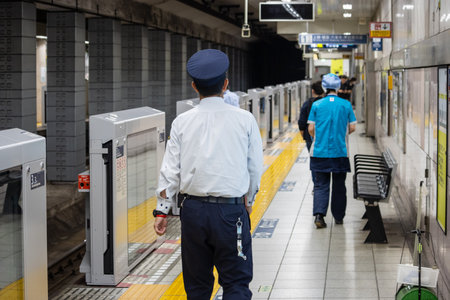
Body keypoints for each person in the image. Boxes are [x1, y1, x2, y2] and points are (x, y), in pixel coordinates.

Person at [153, 49, 263, 300]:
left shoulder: (181, 121)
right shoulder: (245, 120)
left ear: (194, 86)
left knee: (197, 287)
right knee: (236, 283)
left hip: (192, 213)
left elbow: (170, 169)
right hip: (231, 212)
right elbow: (255, 167)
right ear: (226, 84)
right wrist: (250, 200)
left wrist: (162, 210)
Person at [307, 73, 356, 228]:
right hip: (340, 152)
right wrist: (340, 133)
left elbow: (310, 128)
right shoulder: (346, 105)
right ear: (338, 87)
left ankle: (319, 216)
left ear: (324, 87)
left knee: (321, 184)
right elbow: (353, 127)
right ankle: (339, 216)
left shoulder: (317, 105)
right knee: (339, 184)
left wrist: (319, 137)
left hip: (319, 152)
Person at [298, 81, 324, 186]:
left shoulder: (307, 104)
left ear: (312, 91)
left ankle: (316, 184)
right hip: (323, 136)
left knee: (314, 161)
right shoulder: (324, 103)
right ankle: (324, 181)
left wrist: (305, 137)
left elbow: (301, 123)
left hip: (309, 137)